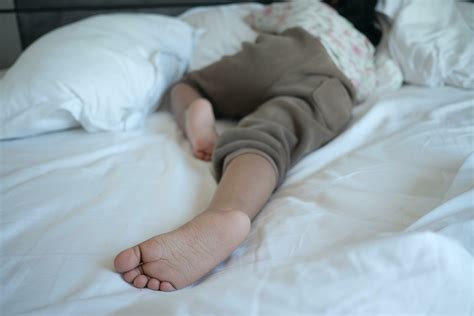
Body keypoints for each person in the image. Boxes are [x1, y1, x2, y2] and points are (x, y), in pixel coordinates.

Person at [114, 0, 381, 292]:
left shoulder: (308, 8)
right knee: (270, 136)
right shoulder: (371, 55)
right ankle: (227, 211)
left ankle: (198, 109)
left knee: (186, 85)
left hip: (285, 52)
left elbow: (258, 17)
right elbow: (384, 83)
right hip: (334, 87)